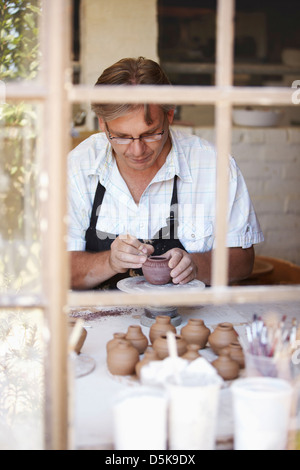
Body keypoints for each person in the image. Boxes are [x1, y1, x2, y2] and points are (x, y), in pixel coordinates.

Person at [68, 57, 264, 290]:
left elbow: (243, 262)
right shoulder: (80, 164)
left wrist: (197, 266)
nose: (137, 150)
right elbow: (59, 270)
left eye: (150, 134)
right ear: (103, 124)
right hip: (101, 322)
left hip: (188, 320)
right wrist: (109, 262)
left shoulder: (214, 166)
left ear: (169, 115)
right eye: (121, 136)